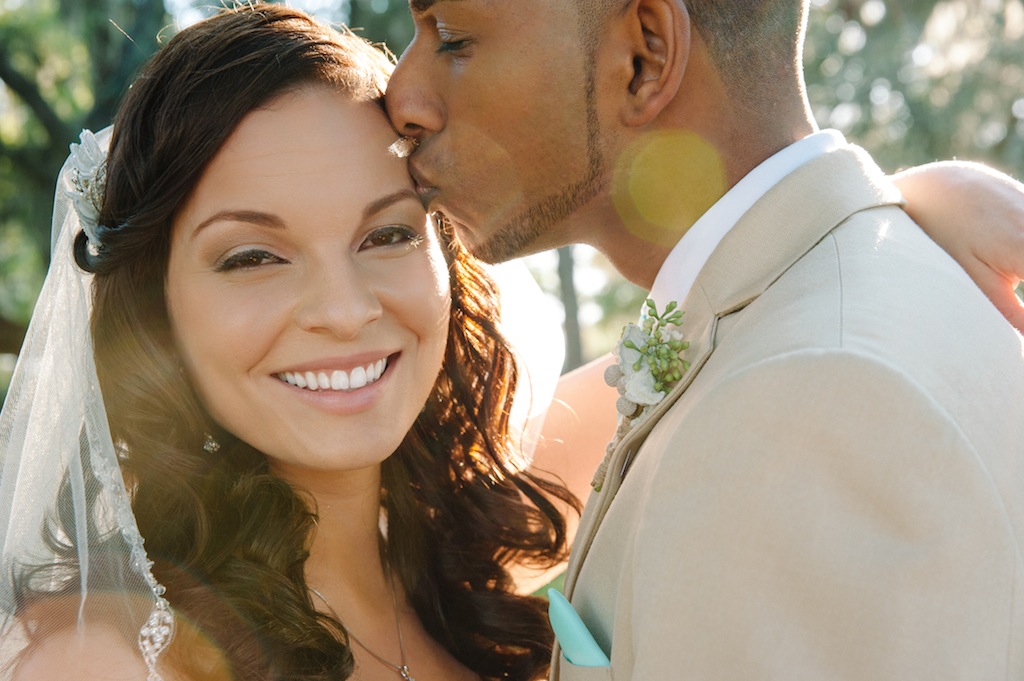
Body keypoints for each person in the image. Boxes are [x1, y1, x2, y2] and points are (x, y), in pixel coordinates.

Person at [386, 0, 1024, 678]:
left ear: (644, 56)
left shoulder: (803, 404)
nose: (400, 95)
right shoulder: (793, 328)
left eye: (452, 37)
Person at [0, 6, 578, 680]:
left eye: (387, 235)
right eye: (252, 257)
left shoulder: (469, 571)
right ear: (156, 309)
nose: (344, 309)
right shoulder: (105, 655)